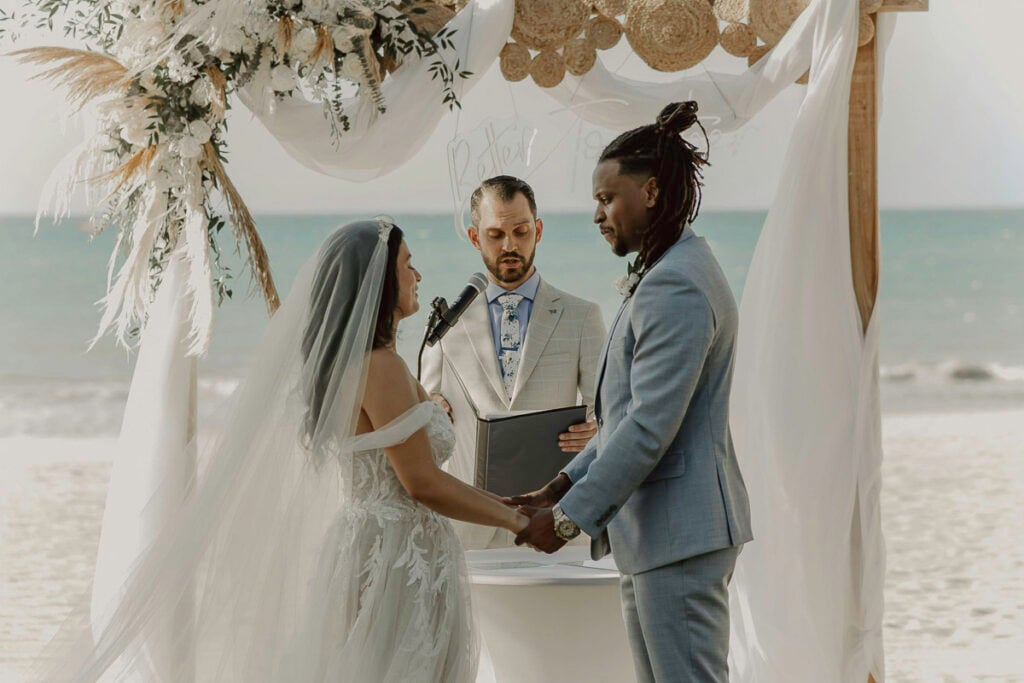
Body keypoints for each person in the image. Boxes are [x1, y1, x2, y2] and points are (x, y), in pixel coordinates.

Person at [38, 220, 526, 683]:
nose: (417, 274)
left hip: (375, 545)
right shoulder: (380, 367)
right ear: (379, 281)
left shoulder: (357, 364)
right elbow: (421, 483)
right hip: (397, 557)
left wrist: (511, 504)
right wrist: (517, 523)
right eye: (407, 263)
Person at [510, 102, 754, 683]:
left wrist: (569, 520)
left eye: (606, 197)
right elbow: (628, 415)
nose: (596, 213)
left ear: (649, 192)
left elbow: (649, 428)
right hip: (655, 534)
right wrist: (562, 482)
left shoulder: (677, 284)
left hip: (681, 534)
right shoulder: (666, 266)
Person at [421, 175, 606, 549]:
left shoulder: (582, 316)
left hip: (552, 523)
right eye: (495, 235)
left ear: (537, 230)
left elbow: (610, 413)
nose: (510, 245)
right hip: (466, 527)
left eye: (521, 231)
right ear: (475, 238)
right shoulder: (446, 325)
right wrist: (430, 406)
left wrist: (594, 428)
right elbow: (424, 412)